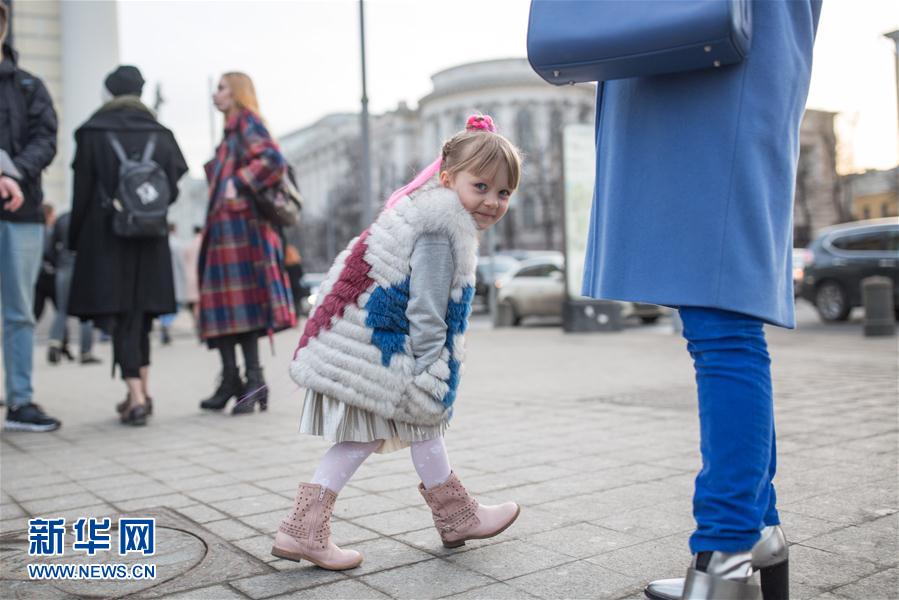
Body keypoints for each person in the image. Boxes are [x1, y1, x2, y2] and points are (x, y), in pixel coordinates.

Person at [567, 3, 822, 599]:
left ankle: (727, 550)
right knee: (715, 310)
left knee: (721, 316)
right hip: (689, 56)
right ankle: (755, 529)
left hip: (713, 62)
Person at [273, 115, 522, 570]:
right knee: (365, 439)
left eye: (504, 192)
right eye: (481, 186)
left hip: (370, 352)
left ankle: (457, 517)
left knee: (419, 429)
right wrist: (430, 370)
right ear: (448, 180)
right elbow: (426, 308)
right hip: (378, 359)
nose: (492, 201)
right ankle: (302, 529)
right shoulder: (440, 230)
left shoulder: (426, 216)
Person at [68, 65, 188, 426]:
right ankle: (142, 391)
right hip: (150, 238)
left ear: (108, 92)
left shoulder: (92, 132)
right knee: (143, 315)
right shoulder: (162, 133)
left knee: (121, 316)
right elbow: (174, 184)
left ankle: (136, 398)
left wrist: (74, 239)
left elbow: (82, 193)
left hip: (108, 237)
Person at [198, 72, 295, 415]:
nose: (216, 93)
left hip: (244, 231)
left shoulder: (247, 122)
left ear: (237, 93)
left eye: (222, 87)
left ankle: (252, 381)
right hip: (229, 231)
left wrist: (238, 182)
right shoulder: (231, 130)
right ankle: (235, 380)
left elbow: (272, 159)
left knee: (243, 308)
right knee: (225, 309)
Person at [0, 2, 62, 432]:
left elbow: (46, 138)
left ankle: (20, 401)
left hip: (20, 213)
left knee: (20, 310)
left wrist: (12, 171)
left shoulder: (28, 86)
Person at [48, 210, 100, 365]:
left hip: (64, 267)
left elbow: (50, 247)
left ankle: (55, 342)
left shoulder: (62, 218)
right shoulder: (90, 218)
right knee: (86, 311)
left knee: (62, 310)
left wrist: (59, 264)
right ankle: (85, 351)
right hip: (85, 268)